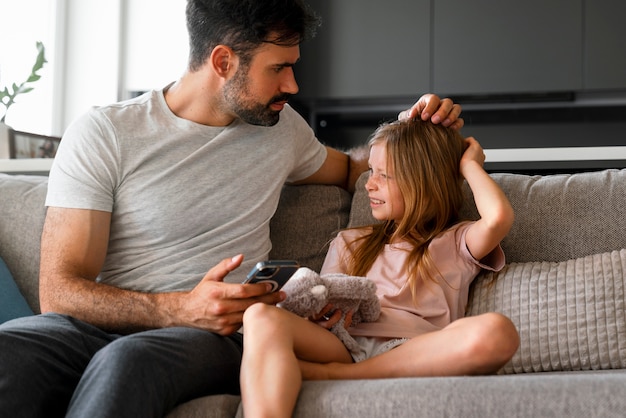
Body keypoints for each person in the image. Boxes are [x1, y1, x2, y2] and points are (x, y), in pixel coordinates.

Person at [0, 1, 464, 417]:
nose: (293, 84)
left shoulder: (281, 130)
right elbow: (58, 293)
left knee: (128, 364)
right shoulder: (105, 134)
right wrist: (179, 308)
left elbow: (354, 169)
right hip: (98, 328)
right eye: (278, 68)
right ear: (223, 62)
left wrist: (420, 131)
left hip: (217, 336)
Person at [240, 118, 519, 418]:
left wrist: (469, 165)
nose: (368, 183)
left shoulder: (455, 242)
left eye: (383, 175)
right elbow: (328, 299)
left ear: (422, 181)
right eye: (371, 171)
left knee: (497, 332)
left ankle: (336, 376)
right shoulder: (350, 242)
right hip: (345, 347)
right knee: (259, 315)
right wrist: (322, 315)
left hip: (415, 350)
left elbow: (498, 218)